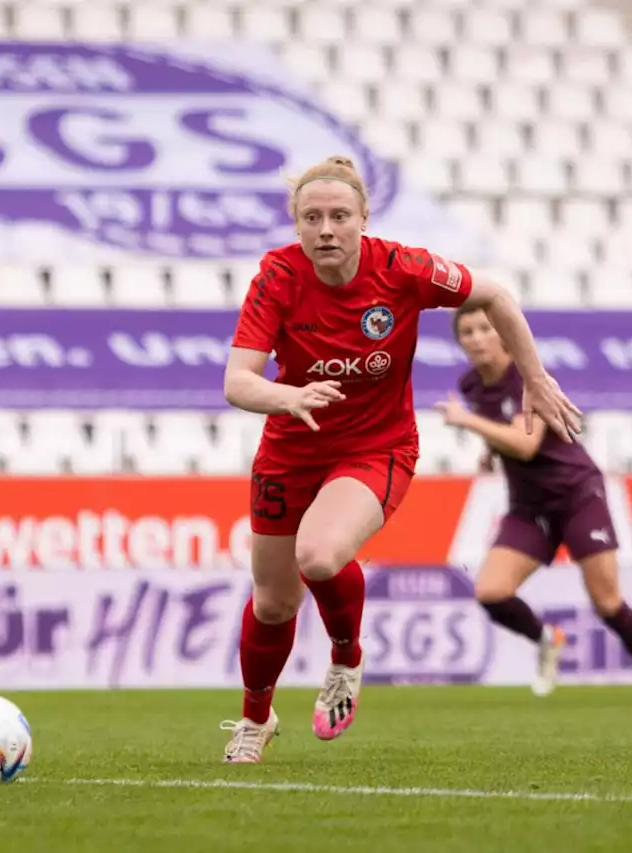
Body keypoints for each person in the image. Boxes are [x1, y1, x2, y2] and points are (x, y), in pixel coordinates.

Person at [219, 156, 582, 763]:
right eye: (312, 218)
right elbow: (237, 381)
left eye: (339, 216)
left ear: (365, 218)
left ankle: (345, 658)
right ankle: (255, 720)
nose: (326, 229)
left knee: (320, 553)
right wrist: (289, 395)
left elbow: (494, 293)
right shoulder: (276, 277)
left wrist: (535, 378)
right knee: (273, 600)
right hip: (289, 450)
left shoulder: (403, 268)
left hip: (375, 446)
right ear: (296, 224)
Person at [436, 305, 632, 706]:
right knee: (492, 592)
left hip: (576, 494)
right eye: (467, 332)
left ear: (501, 333)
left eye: (485, 328)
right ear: (459, 340)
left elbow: (525, 442)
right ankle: (545, 639)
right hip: (529, 505)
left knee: (606, 601)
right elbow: (504, 434)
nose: (477, 338)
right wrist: (489, 452)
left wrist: (466, 423)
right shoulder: (471, 385)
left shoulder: (523, 377)